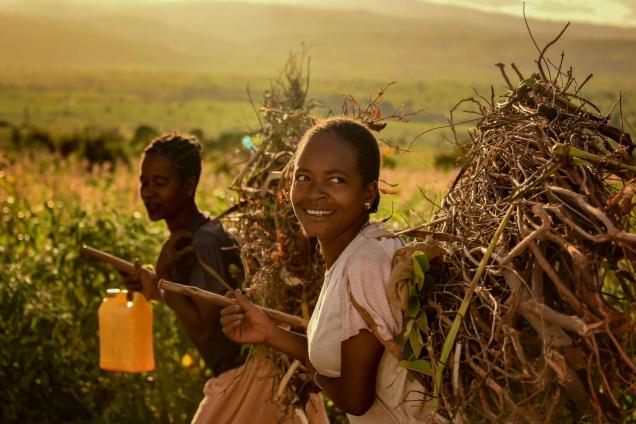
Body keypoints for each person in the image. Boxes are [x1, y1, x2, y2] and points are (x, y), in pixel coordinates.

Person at [220, 118, 434, 422]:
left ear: (368, 193)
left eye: (336, 180)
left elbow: (354, 397)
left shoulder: (364, 263)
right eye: (304, 177)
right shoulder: (361, 248)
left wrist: (315, 374)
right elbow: (344, 360)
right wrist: (269, 333)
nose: (314, 193)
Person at [123, 133, 321, 423]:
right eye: (144, 182)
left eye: (160, 183)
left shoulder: (205, 242)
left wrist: (164, 276)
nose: (148, 192)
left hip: (249, 379)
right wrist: (155, 288)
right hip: (251, 376)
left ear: (189, 186)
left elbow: (205, 328)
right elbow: (200, 305)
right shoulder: (200, 236)